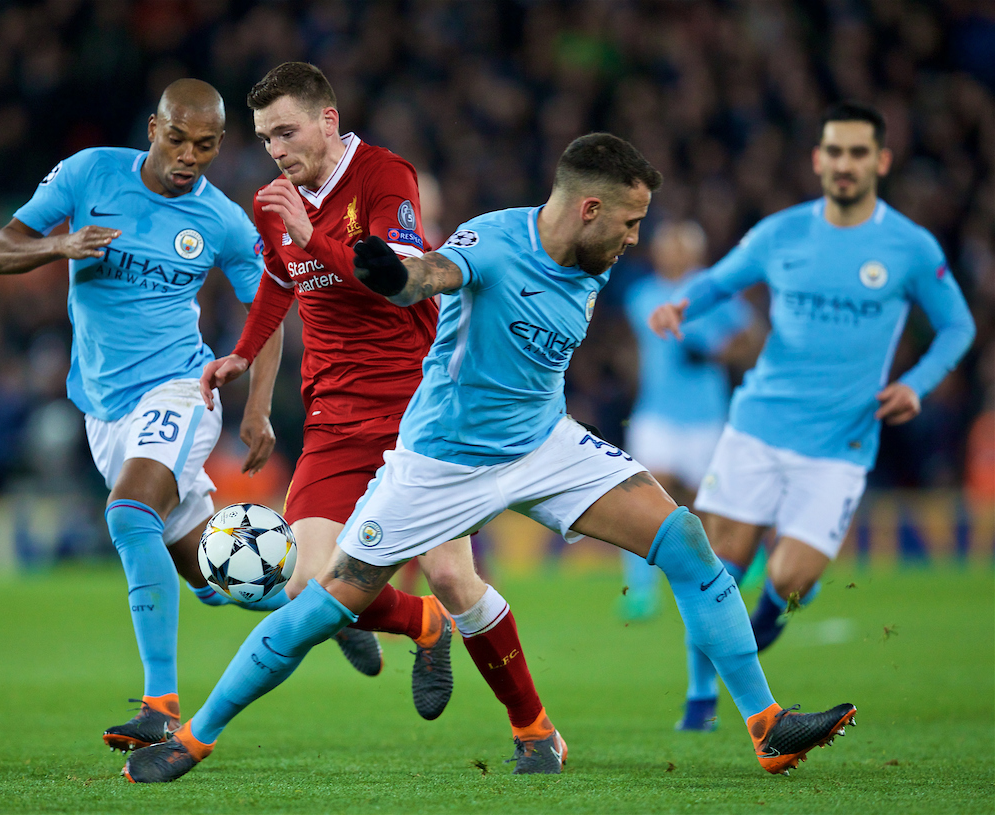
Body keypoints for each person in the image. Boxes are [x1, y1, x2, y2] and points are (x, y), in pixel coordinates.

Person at [124, 132, 858, 784]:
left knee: (687, 540)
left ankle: (766, 727)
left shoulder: (592, 255)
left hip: (543, 442)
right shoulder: (495, 242)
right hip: (440, 462)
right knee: (321, 606)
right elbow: (431, 274)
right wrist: (385, 269)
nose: (637, 240)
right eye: (631, 223)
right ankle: (195, 737)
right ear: (590, 211)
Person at [197, 62, 557, 740]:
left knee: (451, 573)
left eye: (287, 132)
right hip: (333, 414)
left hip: (416, 411)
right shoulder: (274, 201)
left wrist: (310, 234)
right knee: (305, 586)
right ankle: (421, 625)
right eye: (266, 138)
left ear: (328, 121)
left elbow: (396, 282)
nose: (276, 151)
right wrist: (244, 353)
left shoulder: (386, 177)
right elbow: (279, 279)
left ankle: (534, 727)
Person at [648, 102, 976, 732]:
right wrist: (680, 305)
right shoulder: (782, 233)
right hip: (756, 428)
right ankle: (699, 701)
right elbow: (721, 281)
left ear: (879, 161)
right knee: (714, 565)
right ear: (818, 160)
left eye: (859, 153)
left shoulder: (908, 247)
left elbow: (958, 325)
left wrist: (916, 383)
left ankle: (766, 621)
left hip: (840, 443)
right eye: (835, 152)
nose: (845, 164)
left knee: (790, 577)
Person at [0, 79, 285, 752]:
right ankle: (350, 606)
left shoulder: (222, 221)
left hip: (181, 388)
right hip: (103, 407)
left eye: (204, 146)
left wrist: (258, 409)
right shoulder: (89, 172)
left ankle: (160, 704)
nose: (187, 157)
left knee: (127, 513)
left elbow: (270, 308)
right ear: (153, 127)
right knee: (216, 575)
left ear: (218, 146)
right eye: (176, 139)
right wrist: (58, 247)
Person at [619, 221, 756, 620]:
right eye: (667, 245)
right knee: (638, 498)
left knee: (705, 503)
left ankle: (740, 560)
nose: (673, 253)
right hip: (655, 413)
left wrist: (714, 355)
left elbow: (749, 336)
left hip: (706, 416)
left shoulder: (710, 290)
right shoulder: (641, 295)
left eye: (681, 247)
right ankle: (641, 592)